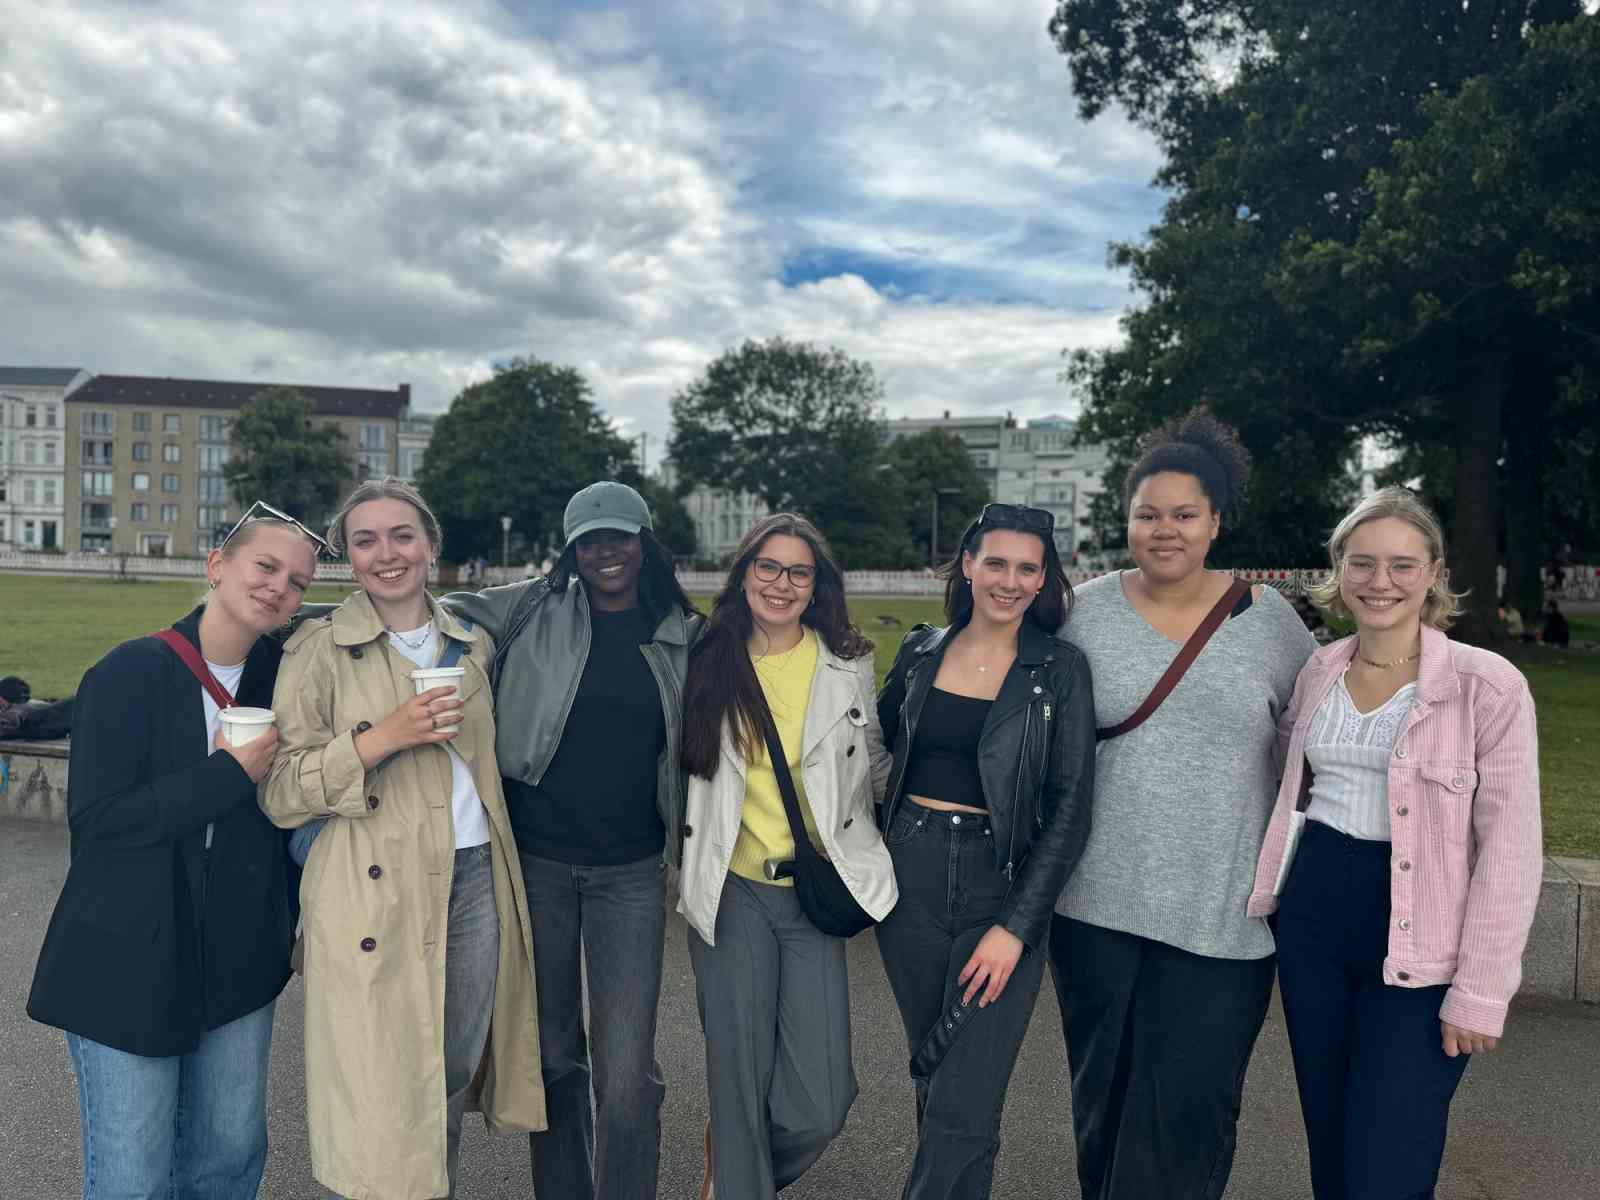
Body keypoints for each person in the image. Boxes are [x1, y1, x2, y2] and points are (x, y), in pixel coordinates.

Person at [1049, 410, 1317, 1200]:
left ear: (1216, 522)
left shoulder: (1271, 625)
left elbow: (1314, 744)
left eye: (1184, 514)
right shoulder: (1079, 613)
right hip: (1096, 906)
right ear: (1126, 520)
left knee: (1194, 1111)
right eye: (1147, 514)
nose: (1165, 530)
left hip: (1224, 914)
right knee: (1104, 1105)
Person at [1249, 487, 1543, 1199]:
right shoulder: (1319, 671)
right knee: (1331, 1134)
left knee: (1391, 1152)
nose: (1381, 582)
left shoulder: (1486, 686)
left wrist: (1482, 989)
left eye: (1403, 565)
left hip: (1420, 931)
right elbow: (1288, 783)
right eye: (1364, 562)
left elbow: (1511, 846)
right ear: (1339, 570)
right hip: (1315, 915)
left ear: (1435, 572)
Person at [28, 504, 322, 1200]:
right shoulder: (130, 671)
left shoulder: (287, 679)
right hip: (127, 955)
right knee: (134, 1176)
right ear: (217, 565)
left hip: (241, 955)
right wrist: (228, 774)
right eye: (266, 566)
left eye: (299, 581)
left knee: (227, 1160)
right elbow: (100, 822)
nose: (281, 587)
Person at [263, 478, 544, 1200]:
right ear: (348, 557)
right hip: (368, 881)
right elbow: (283, 792)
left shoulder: (469, 642)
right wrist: (379, 739)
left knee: (446, 1071)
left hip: (474, 875)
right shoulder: (319, 650)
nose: (387, 554)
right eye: (366, 540)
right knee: (381, 1083)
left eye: (402, 535)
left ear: (430, 544)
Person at [443, 480, 702, 1200]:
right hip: (538, 866)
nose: (606, 551)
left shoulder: (684, 632)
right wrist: (285, 616)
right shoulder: (527, 606)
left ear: (645, 540)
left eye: (620, 535)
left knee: (626, 1076)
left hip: (632, 872)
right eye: (590, 540)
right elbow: (419, 613)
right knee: (555, 1055)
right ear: (571, 548)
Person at [875, 503, 1097, 1199]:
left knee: (964, 1098)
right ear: (967, 564)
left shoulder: (1059, 670)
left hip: (999, 887)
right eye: (995, 562)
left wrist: (1016, 927)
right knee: (939, 1080)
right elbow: (867, 744)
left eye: (1027, 568)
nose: (1009, 579)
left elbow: (1071, 808)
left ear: (1043, 582)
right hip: (908, 875)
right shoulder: (919, 652)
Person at [678, 513, 895, 1200]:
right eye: (768, 567)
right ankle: (738, 1179)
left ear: (816, 585)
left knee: (822, 1099)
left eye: (799, 571)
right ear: (743, 575)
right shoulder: (703, 657)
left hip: (811, 894)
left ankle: (739, 1165)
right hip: (730, 889)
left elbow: (877, 768)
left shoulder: (848, 663)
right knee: (738, 1080)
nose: (782, 582)